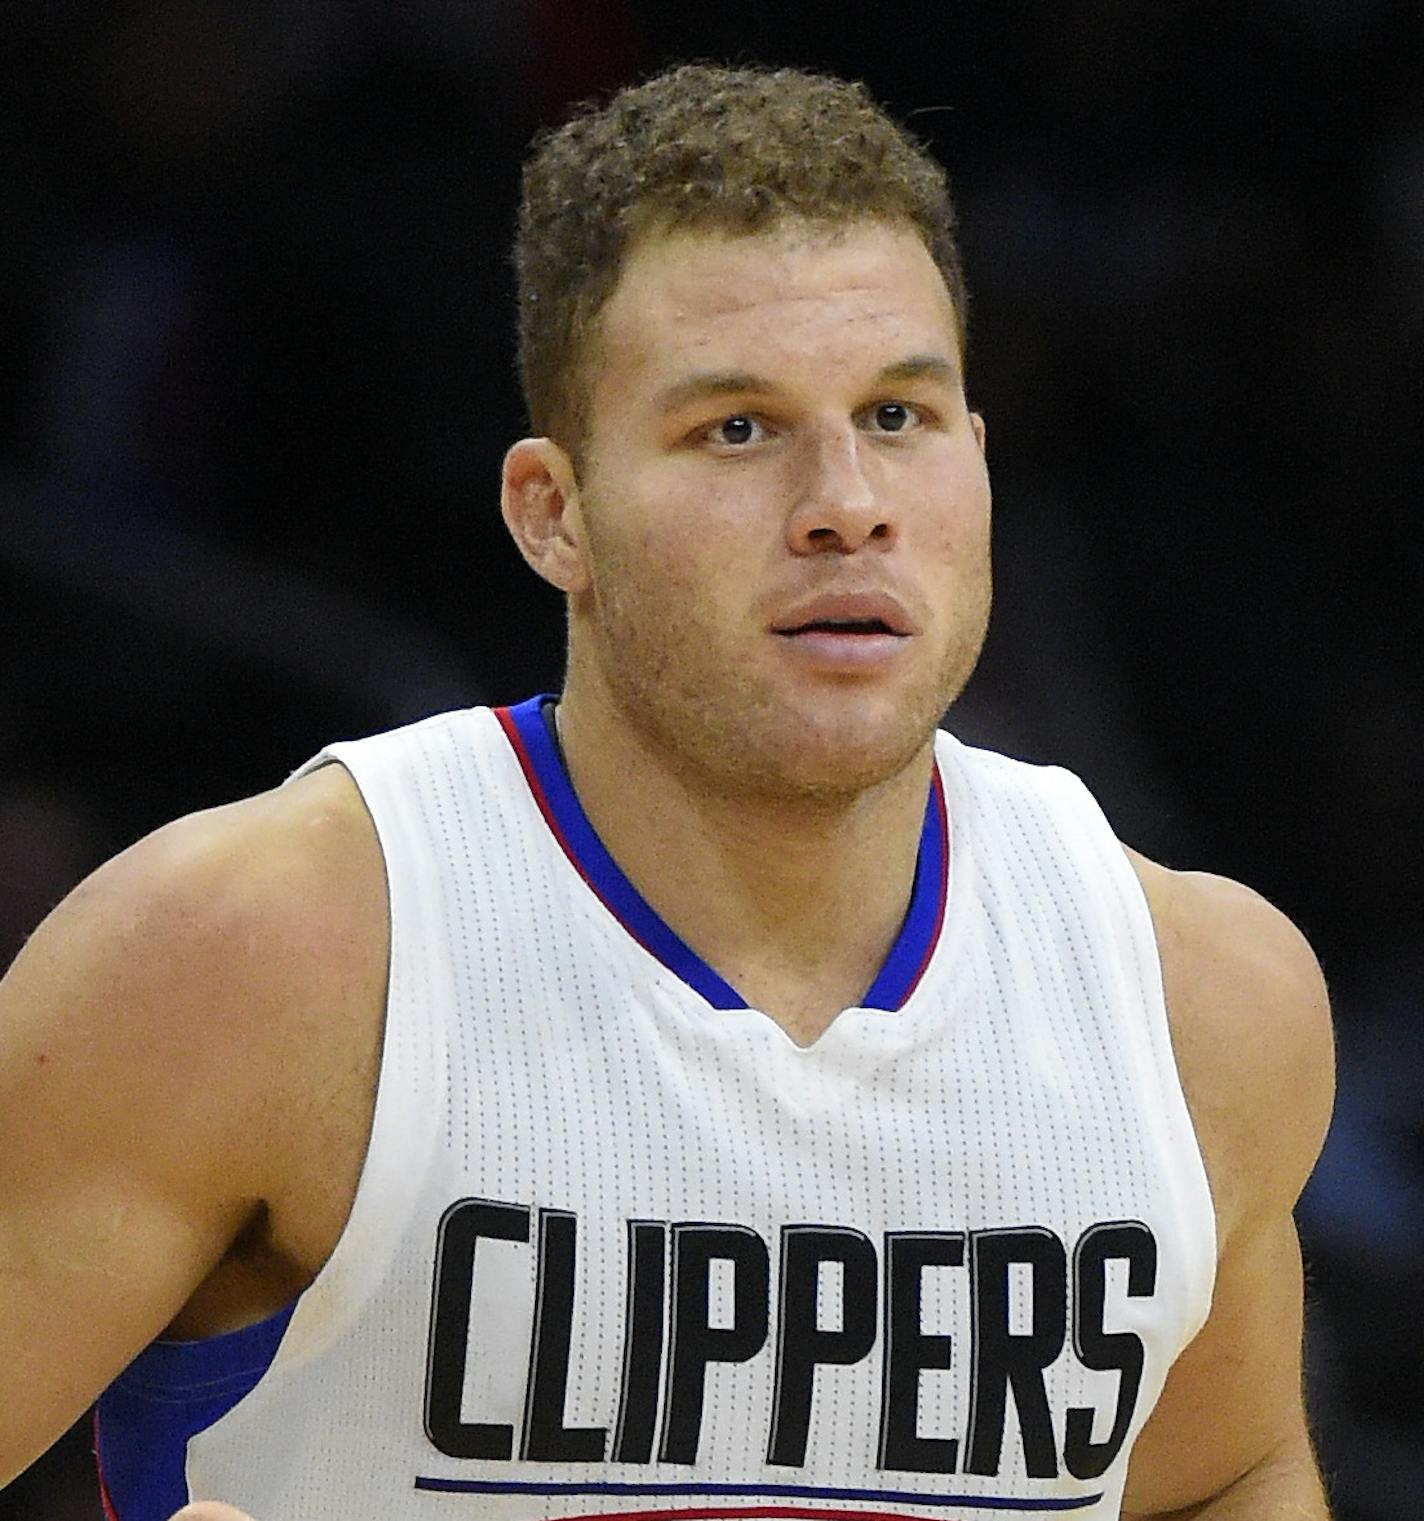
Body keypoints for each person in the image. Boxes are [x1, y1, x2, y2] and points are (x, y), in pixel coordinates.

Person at [0, 62, 1333, 1521]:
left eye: (900, 414)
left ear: (981, 463)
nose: (847, 500)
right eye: (738, 429)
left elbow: (1232, 1474)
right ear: (553, 514)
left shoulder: (1202, 999)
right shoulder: (251, 957)